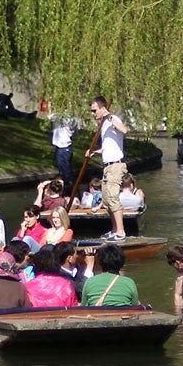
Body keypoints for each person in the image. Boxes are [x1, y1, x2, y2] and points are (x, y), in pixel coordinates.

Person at [89, 97, 128, 240]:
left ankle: (121, 233)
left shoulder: (112, 119)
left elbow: (124, 130)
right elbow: (108, 146)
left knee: (112, 197)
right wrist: (94, 152)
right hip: (107, 166)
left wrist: (109, 116)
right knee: (106, 199)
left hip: (116, 165)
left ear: (102, 108)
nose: (93, 114)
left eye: (94, 110)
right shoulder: (103, 124)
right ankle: (114, 230)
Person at [78, 242, 139, 307]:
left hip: (98, 315)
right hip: (121, 315)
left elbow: (83, 307)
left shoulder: (89, 282)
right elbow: (135, 307)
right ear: (122, 262)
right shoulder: (129, 283)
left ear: (100, 262)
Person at [48, 110, 77, 187]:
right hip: (60, 148)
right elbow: (50, 116)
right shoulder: (58, 116)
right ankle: (65, 186)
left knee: (65, 171)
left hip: (65, 148)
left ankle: (69, 188)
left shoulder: (69, 118)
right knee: (62, 169)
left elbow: (72, 126)